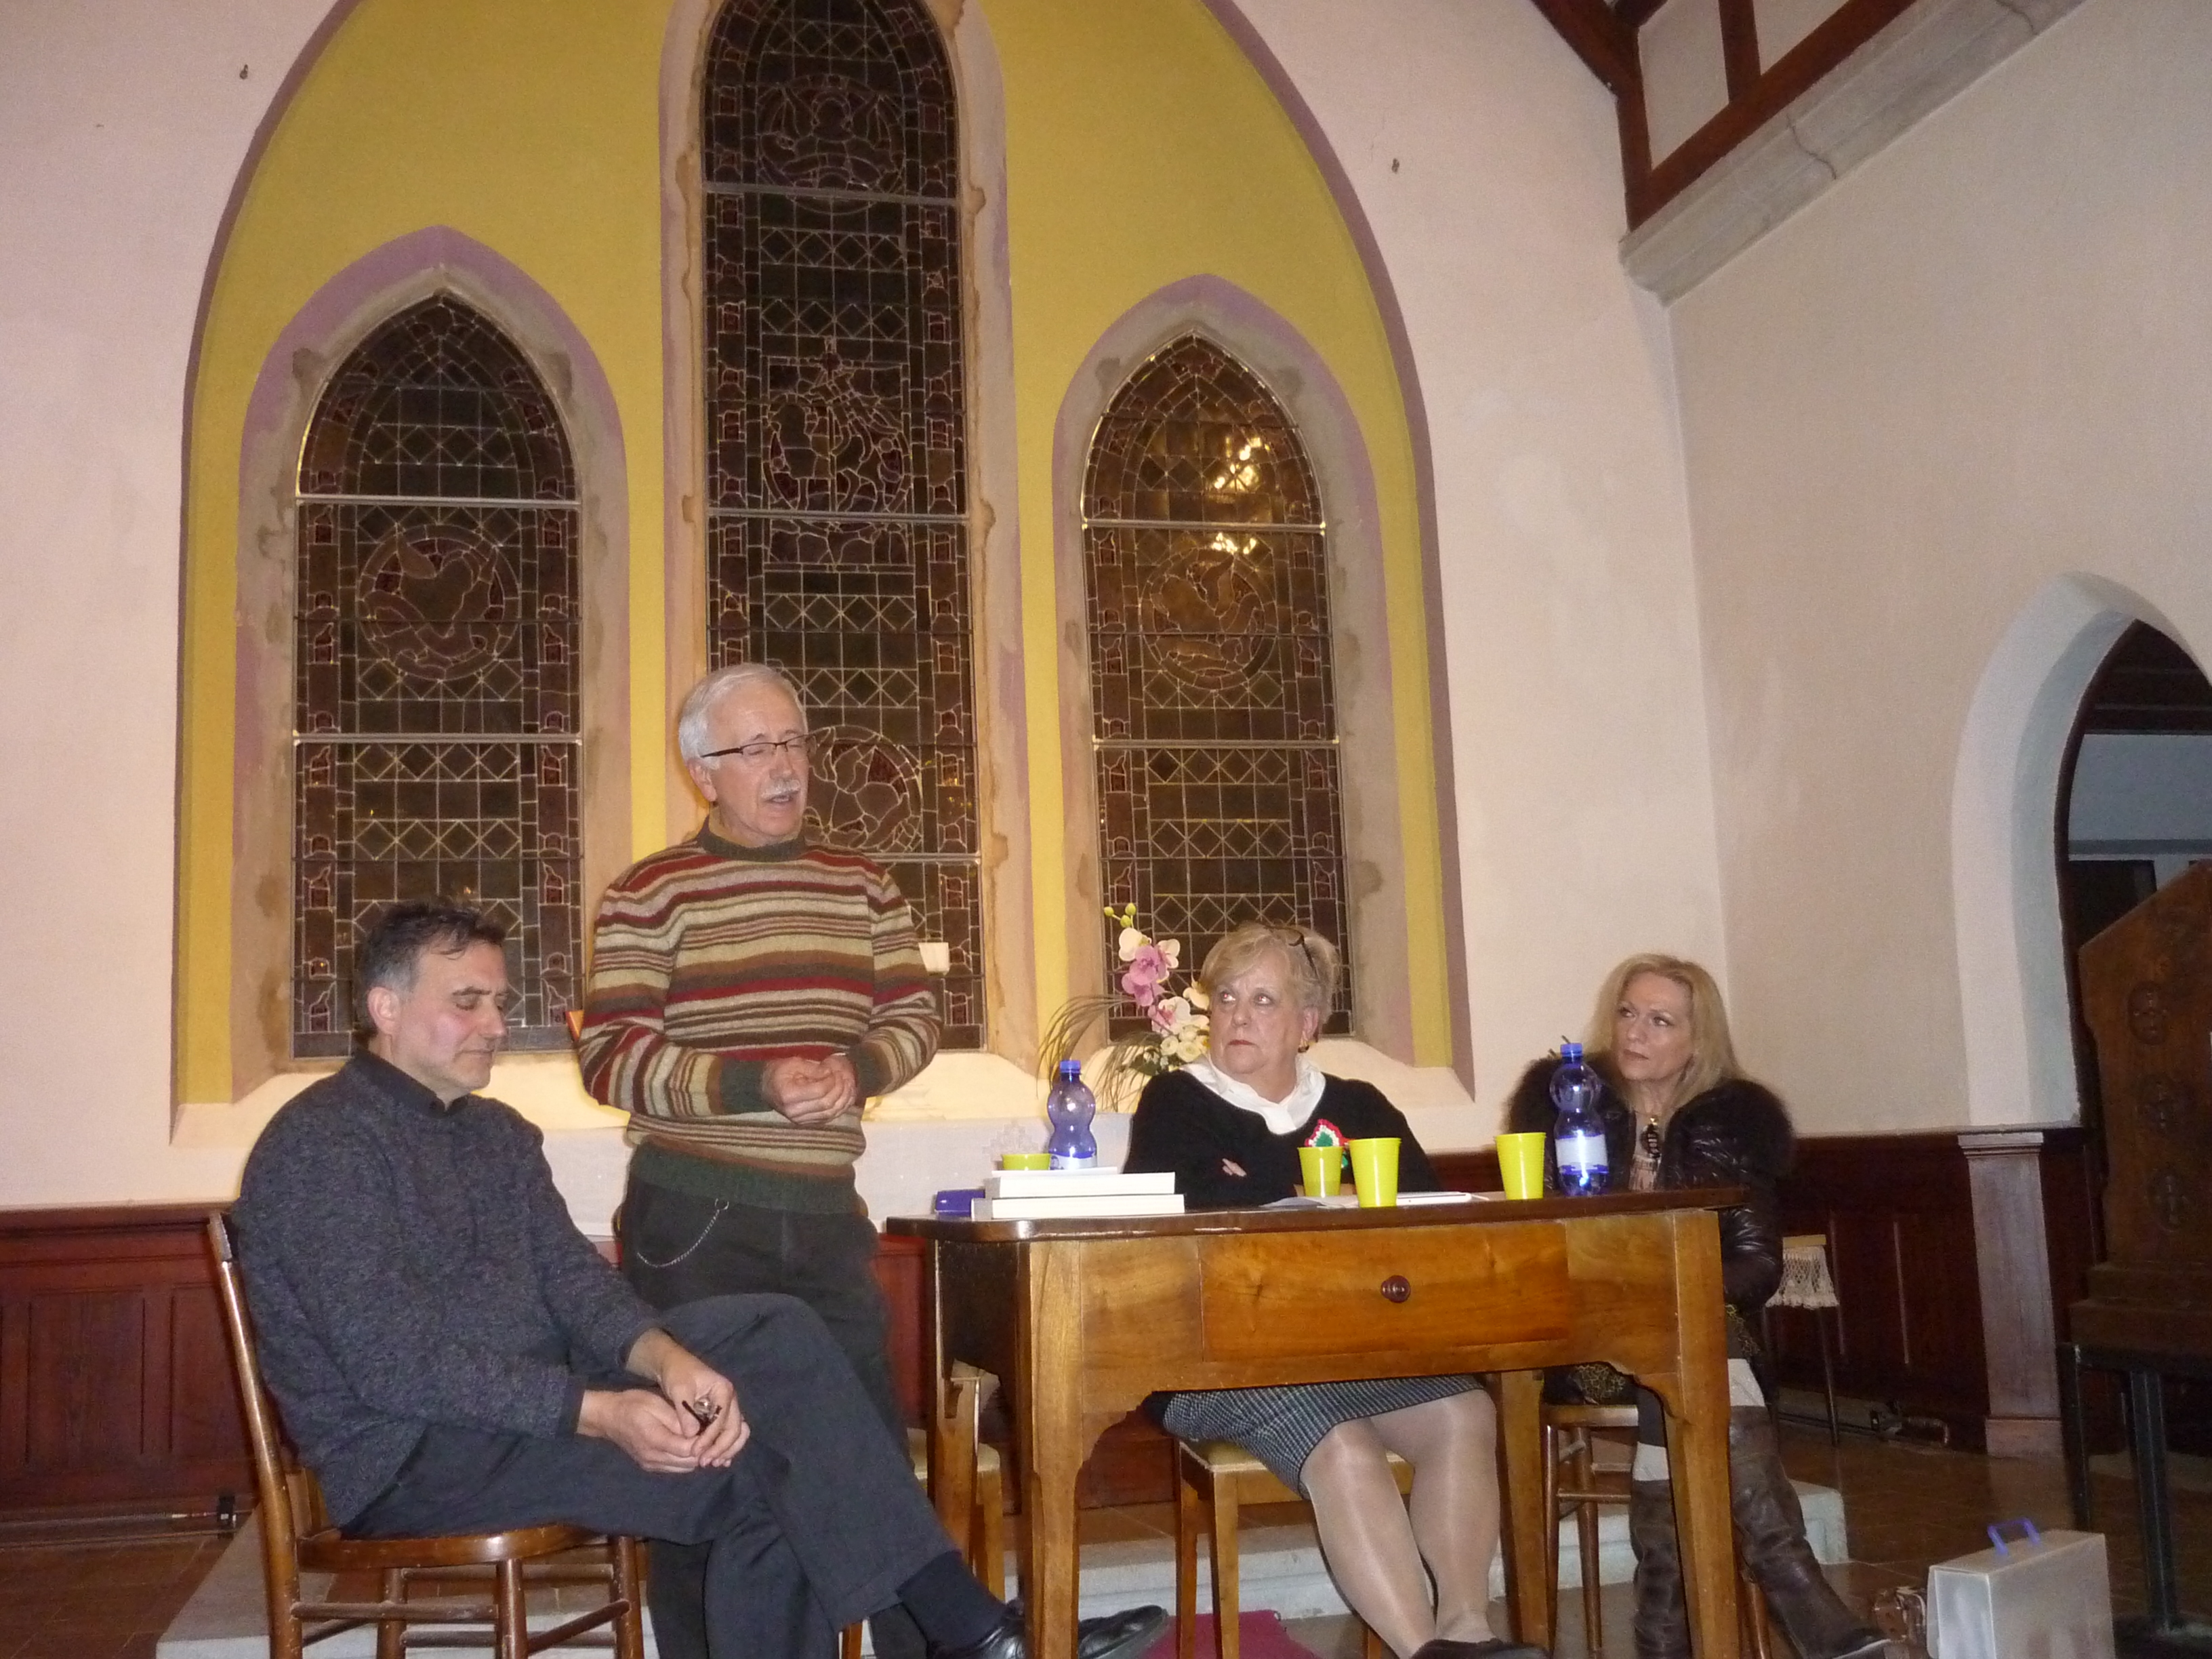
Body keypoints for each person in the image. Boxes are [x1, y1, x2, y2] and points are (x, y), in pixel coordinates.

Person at [230, 901, 1047, 1659]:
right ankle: (966, 1626)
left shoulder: (497, 1135)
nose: (497, 1025)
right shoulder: (321, 1147)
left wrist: (666, 1360)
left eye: (499, 1002)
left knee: (777, 1328)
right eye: (468, 1002)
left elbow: (576, 1283)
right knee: (771, 1472)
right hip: (412, 1455)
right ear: (385, 1008)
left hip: (532, 1408)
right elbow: (394, 1367)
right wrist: (600, 1412)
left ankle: (963, 1627)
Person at [578, 665, 1163, 1659]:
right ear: (702, 773)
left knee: (863, 1456)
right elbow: (612, 1057)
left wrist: (856, 1070)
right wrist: (760, 1083)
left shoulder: (862, 884)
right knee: (707, 1466)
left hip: (824, 1217)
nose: (785, 766)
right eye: (755, 749)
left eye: (795, 743)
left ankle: (941, 1645)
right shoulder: (650, 891)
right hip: (697, 1222)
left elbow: (913, 1016)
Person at [1124, 922, 1544, 1659]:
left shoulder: (1360, 1107)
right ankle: (1423, 1653)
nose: (1238, 1015)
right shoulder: (1175, 1101)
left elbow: (1423, 1218)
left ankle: (1466, 1632)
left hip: (1357, 1345)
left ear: (1307, 1024)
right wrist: (1321, 1194)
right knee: (1344, 1446)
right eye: (1227, 998)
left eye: (1264, 1000)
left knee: (1463, 1413)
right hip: (1217, 1355)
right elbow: (1185, 1212)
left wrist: (1263, 1189)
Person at [1505, 954, 1887, 1659]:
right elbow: (1539, 1243)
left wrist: (1673, 1299)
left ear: (1697, 1039)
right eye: (1628, 1013)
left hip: (1696, 1334)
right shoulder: (1564, 1106)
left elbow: (1759, 1267)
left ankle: (1664, 1631)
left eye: (1660, 1021)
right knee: (1700, 1358)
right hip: (1586, 1341)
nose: (1635, 1032)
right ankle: (1798, 1592)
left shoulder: (1730, 1123)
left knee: (1692, 1349)